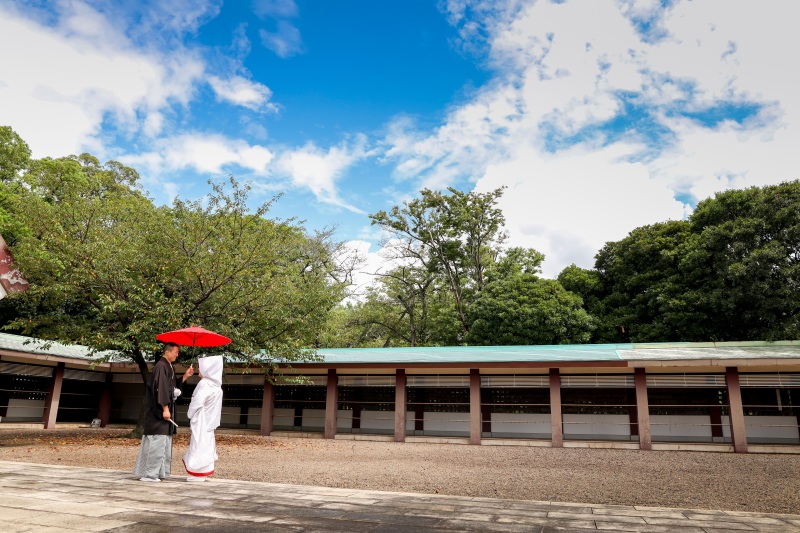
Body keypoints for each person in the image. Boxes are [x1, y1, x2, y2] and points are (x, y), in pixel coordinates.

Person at [133, 342, 194, 482]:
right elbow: (160, 389)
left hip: (163, 412)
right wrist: (165, 408)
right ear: (168, 352)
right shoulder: (161, 366)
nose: (177, 355)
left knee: (163, 444)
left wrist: (185, 377)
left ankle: (159, 472)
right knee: (157, 443)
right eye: (176, 352)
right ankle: (149, 474)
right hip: (158, 413)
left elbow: (170, 386)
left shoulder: (168, 366)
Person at [182, 355, 223, 481]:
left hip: (202, 420)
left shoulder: (205, 384)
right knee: (206, 444)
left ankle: (196, 472)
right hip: (209, 421)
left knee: (198, 445)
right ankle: (203, 472)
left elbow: (197, 402)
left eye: (201, 367)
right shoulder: (217, 387)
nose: (199, 370)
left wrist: (190, 414)